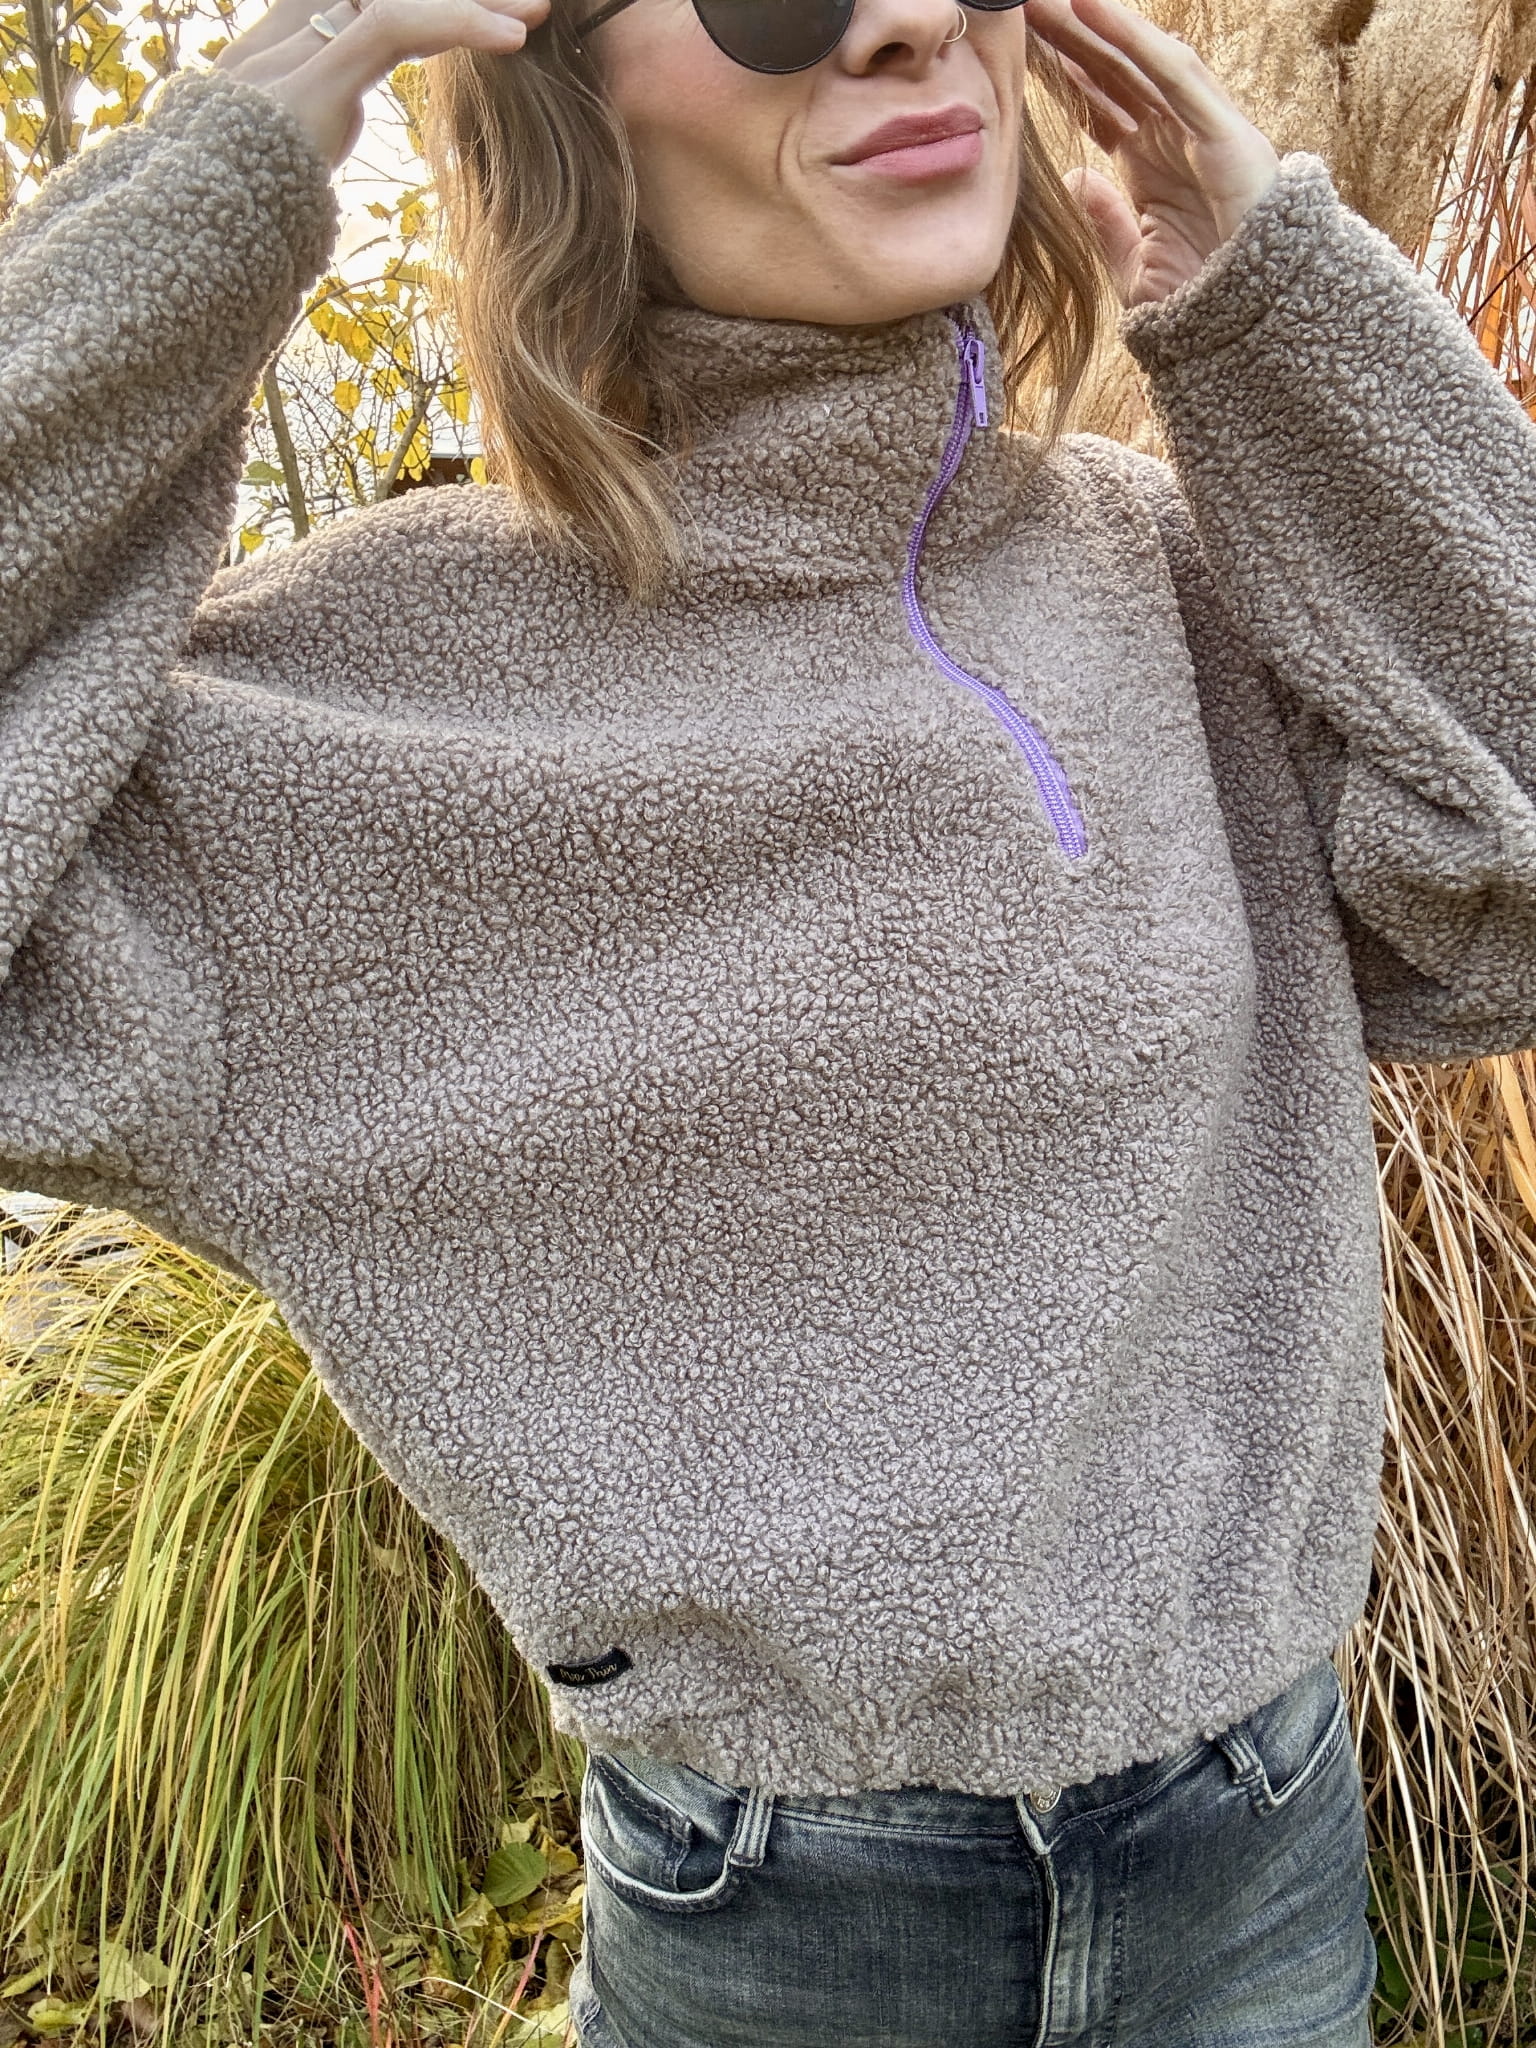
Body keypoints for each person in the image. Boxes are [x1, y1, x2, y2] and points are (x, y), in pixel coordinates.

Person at [3, 0, 1533, 2033]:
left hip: (1257, 1853)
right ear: (564, 89)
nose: (902, 25)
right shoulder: (358, 705)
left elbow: (1510, 882)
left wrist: (1278, 300)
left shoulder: (1172, 575)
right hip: (785, 1932)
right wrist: (241, 155)